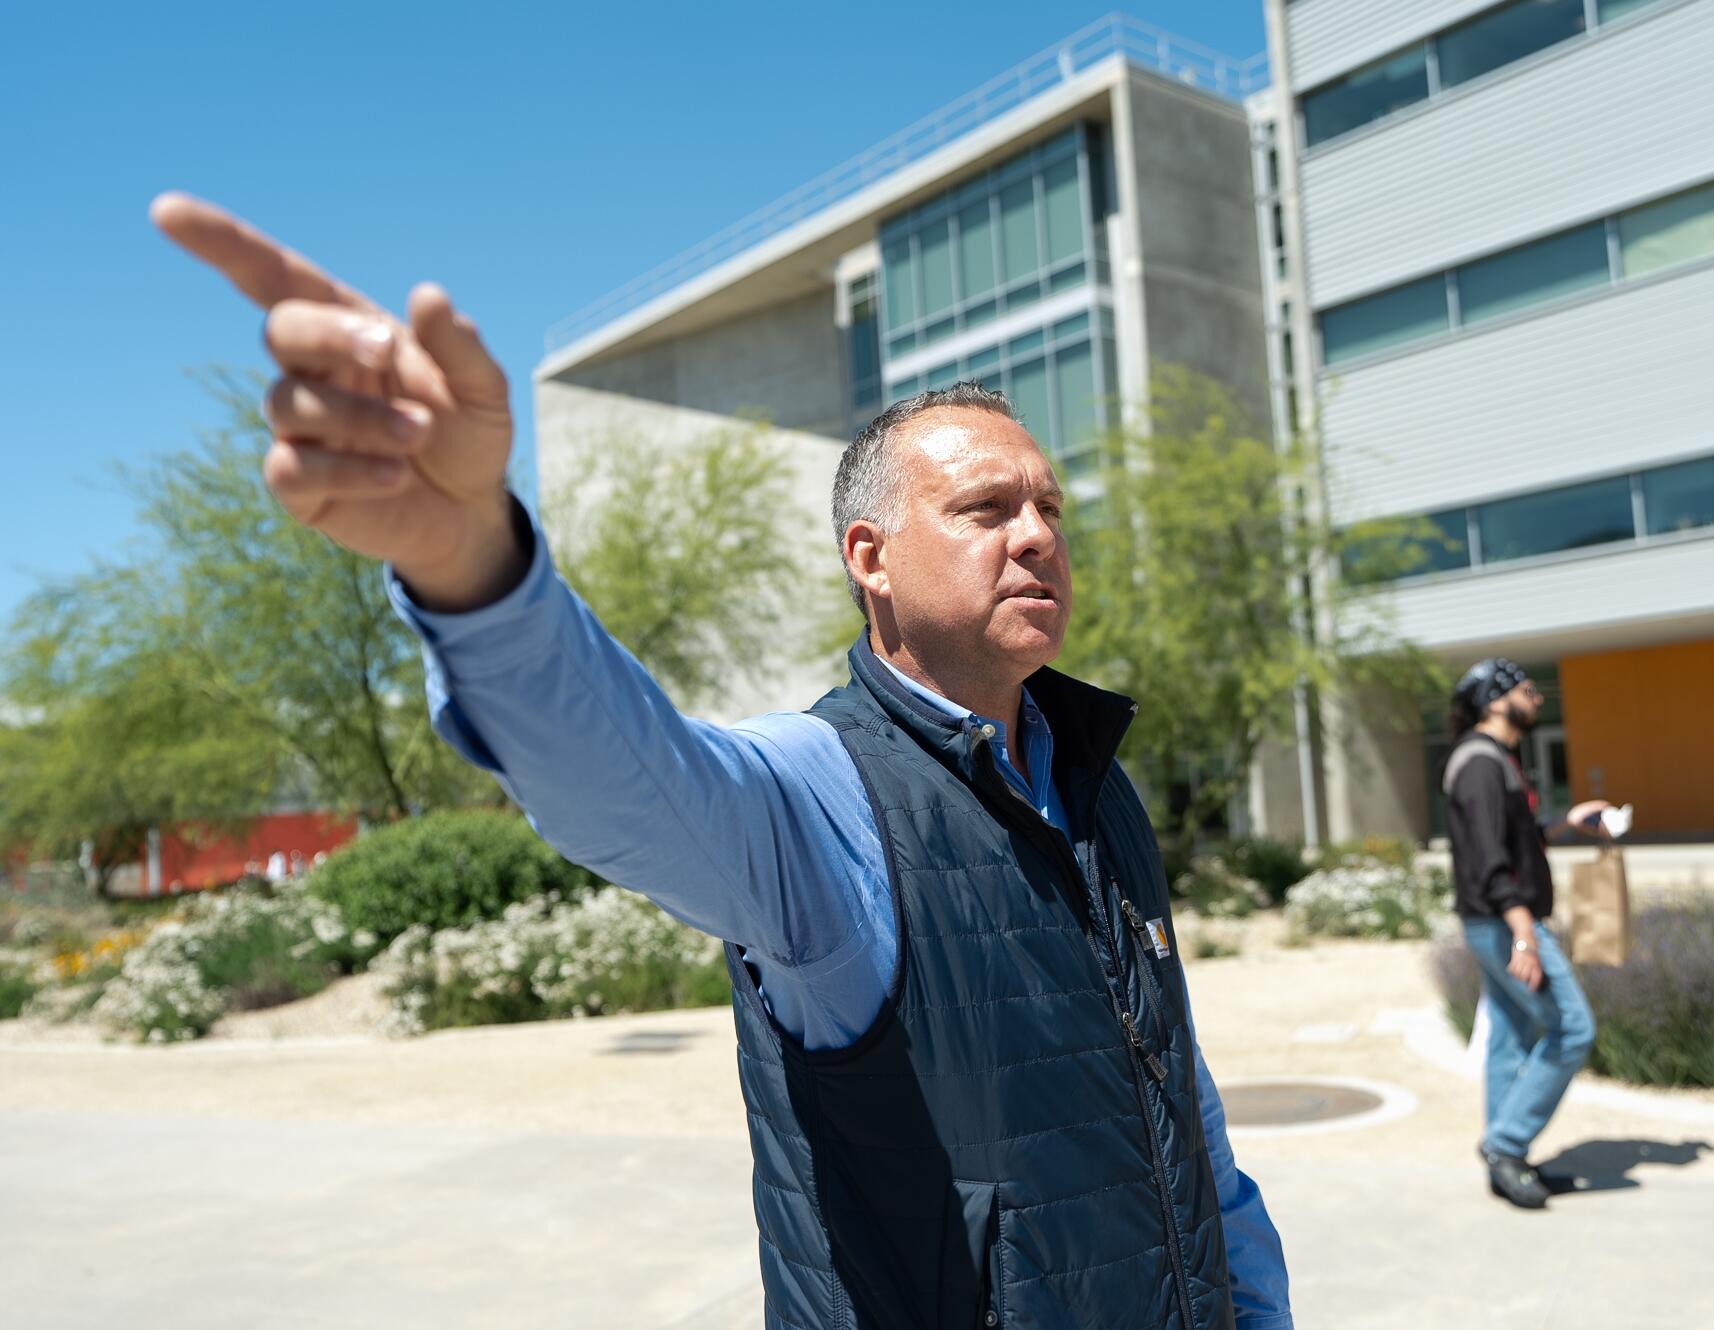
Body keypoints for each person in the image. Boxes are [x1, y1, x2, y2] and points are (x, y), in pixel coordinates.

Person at [151, 193, 1291, 1329]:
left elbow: (1185, 1117)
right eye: (985, 507)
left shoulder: (1099, 783)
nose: (1036, 533)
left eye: (1048, 505)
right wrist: (474, 567)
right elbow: (634, 783)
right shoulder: (822, 789)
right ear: (871, 557)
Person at [1443, 658, 1608, 1211]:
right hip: (1503, 923)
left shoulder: (1494, 761)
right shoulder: (1479, 764)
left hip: (1496, 921)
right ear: (1496, 700)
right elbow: (1489, 860)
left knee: (1512, 1036)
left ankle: (1505, 1161)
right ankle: (1506, 1146)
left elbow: (1512, 841)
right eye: (1529, 691)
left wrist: (1565, 822)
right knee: (1572, 1028)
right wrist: (1523, 933)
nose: (1538, 699)